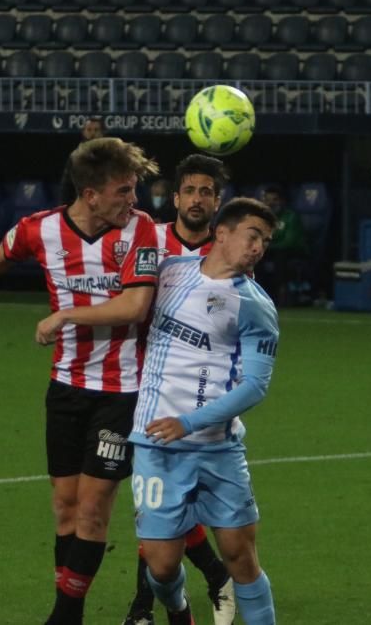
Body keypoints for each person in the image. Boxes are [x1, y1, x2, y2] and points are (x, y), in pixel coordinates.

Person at [0, 137, 159, 625]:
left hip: (121, 390)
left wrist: (64, 314)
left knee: (92, 510)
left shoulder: (139, 230)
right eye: (124, 191)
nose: (134, 200)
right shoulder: (42, 229)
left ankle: (64, 614)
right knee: (64, 507)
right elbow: (2, 252)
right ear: (90, 195)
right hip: (65, 387)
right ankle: (72, 614)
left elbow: (134, 306)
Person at [129, 197, 280, 625]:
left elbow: (255, 386)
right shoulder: (169, 271)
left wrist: (189, 422)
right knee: (159, 566)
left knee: (240, 557)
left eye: (265, 242)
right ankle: (179, 610)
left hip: (217, 449)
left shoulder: (255, 305)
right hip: (155, 443)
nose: (259, 248)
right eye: (253, 236)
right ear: (222, 232)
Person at [120, 153, 234, 625]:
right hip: (143, 386)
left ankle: (153, 604)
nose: (197, 199)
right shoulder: (153, 241)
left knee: (169, 502)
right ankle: (190, 587)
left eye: (206, 191)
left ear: (217, 200)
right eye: (189, 190)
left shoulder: (228, 253)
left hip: (199, 398)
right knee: (154, 503)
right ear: (175, 196)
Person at [256, 185, 307, 306]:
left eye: (274, 200)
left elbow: (289, 242)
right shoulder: (260, 219)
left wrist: (267, 246)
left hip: (292, 252)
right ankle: (258, 295)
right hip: (269, 251)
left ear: (282, 201)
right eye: (267, 200)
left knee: (280, 256)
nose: (270, 203)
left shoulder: (290, 217)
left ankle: (281, 296)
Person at [60, 117, 106, 204]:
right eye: (89, 130)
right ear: (83, 132)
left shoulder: (110, 155)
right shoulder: (75, 156)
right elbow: (68, 185)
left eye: (96, 130)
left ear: (102, 133)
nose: (92, 133)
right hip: (82, 204)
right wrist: (65, 206)